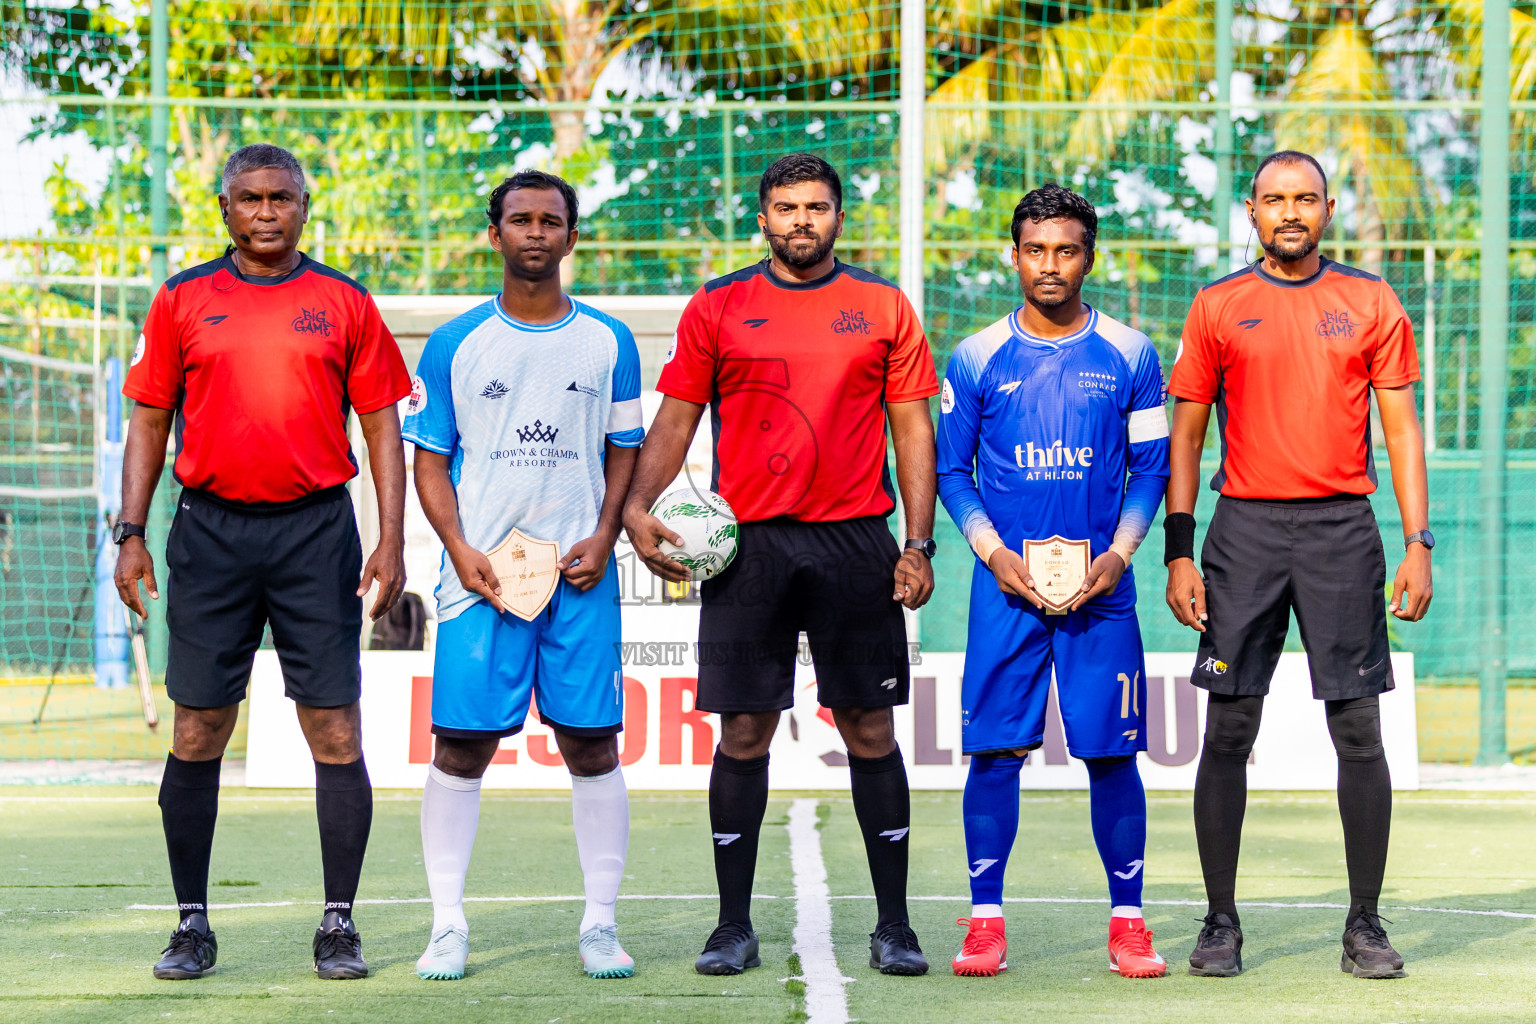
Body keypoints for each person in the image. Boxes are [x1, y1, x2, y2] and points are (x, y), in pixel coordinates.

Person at [622, 152, 940, 977]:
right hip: (748, 550)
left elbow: (913, 431)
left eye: (818, 207)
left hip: (855, 541)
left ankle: (895, 926)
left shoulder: (882, 307)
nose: (802, 220)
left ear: (840, 217)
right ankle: (732, 925)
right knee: (743, 729)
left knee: (870, 728)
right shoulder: (720, 305)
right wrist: (635, 509)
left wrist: (918, 541)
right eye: (786, 207)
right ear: (761, 217)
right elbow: (677, 419)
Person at [115, 143, 410, 981]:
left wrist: (390, 535)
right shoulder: (183, 300)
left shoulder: (344, 301)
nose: (267, 212)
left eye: (283, 198)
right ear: (226, 209)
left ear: (305, 207)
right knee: (200, 727)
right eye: (251, 199)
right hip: (208, 534)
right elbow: (146, 420)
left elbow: (383, 425)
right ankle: (191, 925)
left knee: (336, 728)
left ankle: (339, 923)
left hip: (316, 532)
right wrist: (131, 531)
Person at [1164, 151, 1433, 980]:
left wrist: (1418, 540)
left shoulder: (1369, 299)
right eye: (1275, 199)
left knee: (1358, 729)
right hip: (1241, 534)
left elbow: (1399, 430)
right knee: (1229, 729)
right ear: (1251, 211)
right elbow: (1187, 434)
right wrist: (1180, 548)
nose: (1291, 211)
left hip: (1342, 533)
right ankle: (1219, 924)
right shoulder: (1218, 305)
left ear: (1326, 209)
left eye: (1306, 199)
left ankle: (1364, 925)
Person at [402, 170, 642, 982]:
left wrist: (606, 534)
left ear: (572, 238)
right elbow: (430, 462)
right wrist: (460, 549)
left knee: (591, 744)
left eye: (551, 221)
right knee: (461, 747)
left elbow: (624, 450)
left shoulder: (609, 340)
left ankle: (600, 926)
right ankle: (446, 924)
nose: (535, 232)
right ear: (495, 233)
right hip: (482, 580)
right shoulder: (455, 343)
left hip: (579, 573)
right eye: (520, 219)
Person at [936, 184, 1170, 979]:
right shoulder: (973, 358)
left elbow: (1151, 471)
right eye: (1035, 249)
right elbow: (948, 472)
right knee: (994, 753)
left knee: (1113, 753)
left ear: (1089, 257)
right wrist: (995, 554)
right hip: (1006, 593)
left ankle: (1130, 923)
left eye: (1066, 250)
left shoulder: (1133, 354)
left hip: (1104, 597)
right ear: (1014, 255)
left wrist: (1122, 554)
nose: (1050, 265)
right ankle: (985, 921)